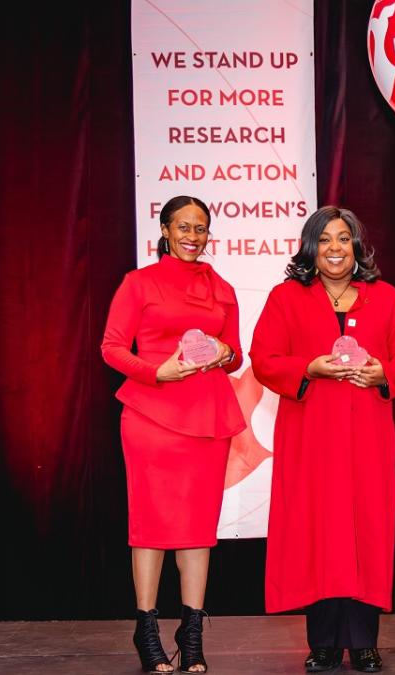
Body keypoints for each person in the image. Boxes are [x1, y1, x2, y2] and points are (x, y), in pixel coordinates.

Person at [250, 206, 395, 673]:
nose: (334, 248)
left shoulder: (385, 299)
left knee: (366, 530)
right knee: (317, 532)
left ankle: (364, 642)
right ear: (311, 247)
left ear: (356, 246)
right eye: (324, 239)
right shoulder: (286, 298)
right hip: (311, 438)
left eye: (343, 239)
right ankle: (323, 642)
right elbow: (264, 357)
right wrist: (308, 367)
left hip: (368, 435)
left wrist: (383, 372)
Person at [101, 195, 243, 673]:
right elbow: (112, 348)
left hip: (208, 418)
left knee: (199, 529)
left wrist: (224, 352)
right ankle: (146, 628)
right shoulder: (138, 284)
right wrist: (154, 372)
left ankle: (193, 631)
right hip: (150, 415)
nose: (192, 235)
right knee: (151, 525)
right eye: (183, 226)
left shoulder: (221, 288)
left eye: (200, 228)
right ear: (164, 229)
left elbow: (237, 355)